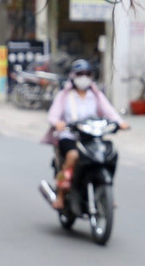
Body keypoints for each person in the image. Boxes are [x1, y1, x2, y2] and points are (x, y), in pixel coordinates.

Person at [42, 60, 129, 209]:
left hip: (91, 137)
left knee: (110, 154)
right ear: (73, 76)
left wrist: (120, 123)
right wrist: (58, 123)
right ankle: (61, 194)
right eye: (80, 74)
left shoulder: (95, 95)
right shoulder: (65, 95)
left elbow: (109, 111)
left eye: (87, 74)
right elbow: (53, 115)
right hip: (69, 136)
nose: (84, 77)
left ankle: (105, 191)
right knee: (72, 156)